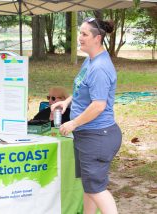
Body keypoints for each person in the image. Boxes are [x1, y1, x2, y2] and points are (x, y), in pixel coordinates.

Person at [51, 18, 122, 214]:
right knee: (89, 187)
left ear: (97, 38)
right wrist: (66, 102)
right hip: (88, 135)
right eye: (79, 33)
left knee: (97, 189)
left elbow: (98, 105)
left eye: (84, 34)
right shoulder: (90, 60)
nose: (79, 38)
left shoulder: (100, 68)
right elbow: (83, 88)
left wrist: (73, 123)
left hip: (97, 136)